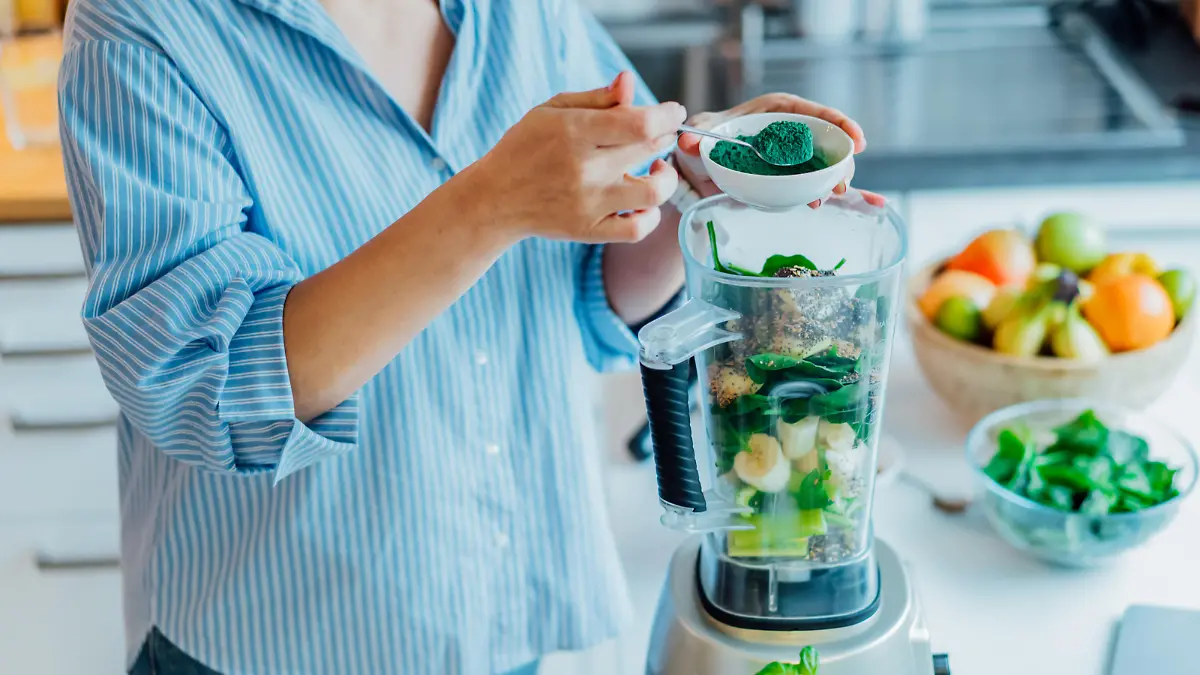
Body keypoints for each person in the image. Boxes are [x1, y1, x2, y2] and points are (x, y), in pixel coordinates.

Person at [57, 1, 882, 674]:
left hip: (499, 616)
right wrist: (488, 203)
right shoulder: (142, 27)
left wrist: (689, 195)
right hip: (281, 642)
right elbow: (205, 385)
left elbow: (589, 295)